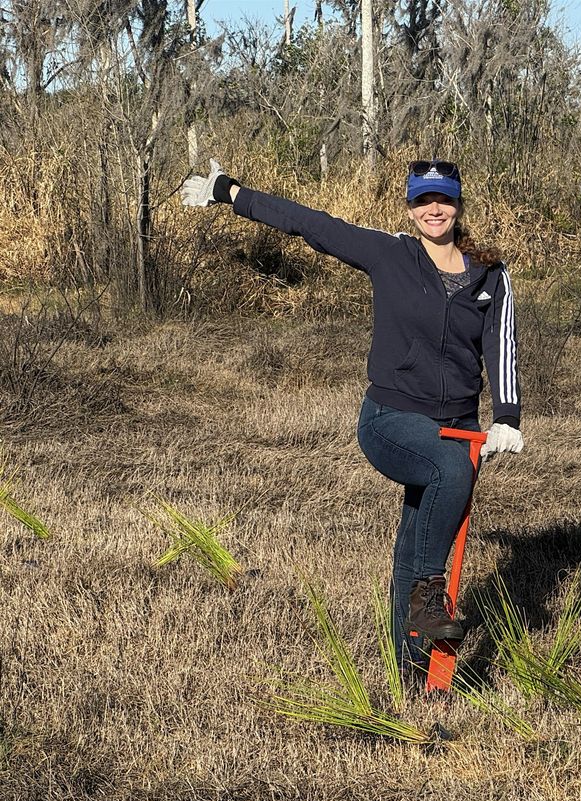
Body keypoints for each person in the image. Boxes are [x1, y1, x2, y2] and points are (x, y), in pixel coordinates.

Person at [181, 158, 523, 672]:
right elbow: (313, 225)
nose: (434, 209)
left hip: (459, 427)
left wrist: (508, 417)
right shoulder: (391, 254)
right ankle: (429, 599)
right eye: (422, 200)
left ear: (458, 203)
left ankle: (408, 668)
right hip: (391, 418)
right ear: (409, 208)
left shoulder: (489, 274)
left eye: (444, 199)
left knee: (415, 539)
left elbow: (502, 346)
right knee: (448, 474)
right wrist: (230, 193)